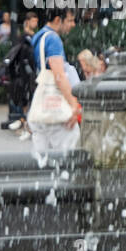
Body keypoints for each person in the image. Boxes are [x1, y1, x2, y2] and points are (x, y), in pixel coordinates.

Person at [28, 8, 82, 161]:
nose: (73, 25)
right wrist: (73, 106)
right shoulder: (53, 39)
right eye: (70, 20)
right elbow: (59, 75)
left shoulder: (39, 37)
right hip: (57, 111)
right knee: (69, 159)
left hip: (41, 108)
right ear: (58, 20)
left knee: (43, 163)